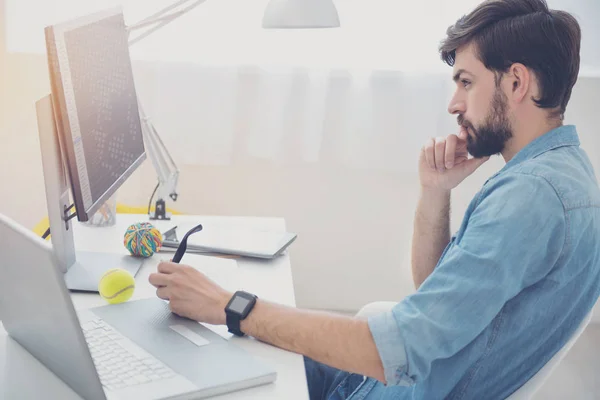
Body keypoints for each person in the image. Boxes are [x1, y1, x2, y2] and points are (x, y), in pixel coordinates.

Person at [148, 0, 600, 398]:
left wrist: (231, 305)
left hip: (377, 387)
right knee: (192, 355)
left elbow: (400, 349)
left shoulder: (530, 200)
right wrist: (435, 192)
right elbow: (437, 297)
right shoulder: (556, 173)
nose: (453, 104)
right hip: (369, 380)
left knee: (183, 366)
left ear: (516, 82)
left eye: (465, 82)